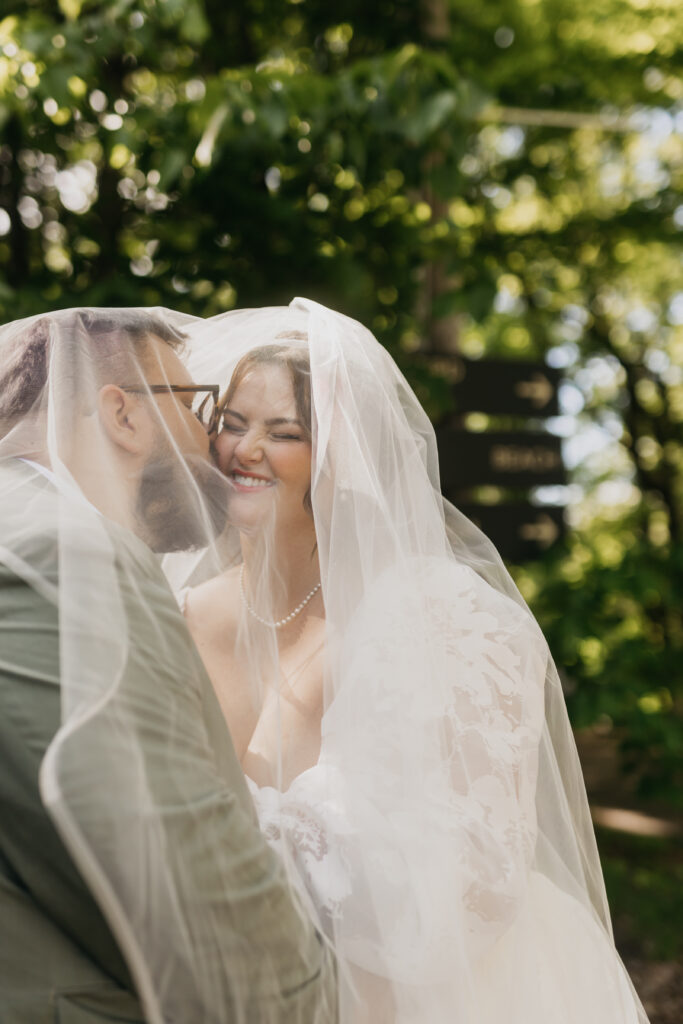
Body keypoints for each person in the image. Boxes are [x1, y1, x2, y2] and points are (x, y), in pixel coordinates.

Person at [171, 297, 650, 1023]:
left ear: (339, 456)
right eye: (232, 424)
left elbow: (481, 875)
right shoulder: (183, 611)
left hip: (447, 993)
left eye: (285, 432)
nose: (246, 449)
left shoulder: (444, 617)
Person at [0, 308, 336, 1024]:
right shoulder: (70, 554)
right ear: (122, 415)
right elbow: (146, 856)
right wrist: (308, 1001)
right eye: (196, 406)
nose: (213, 444)